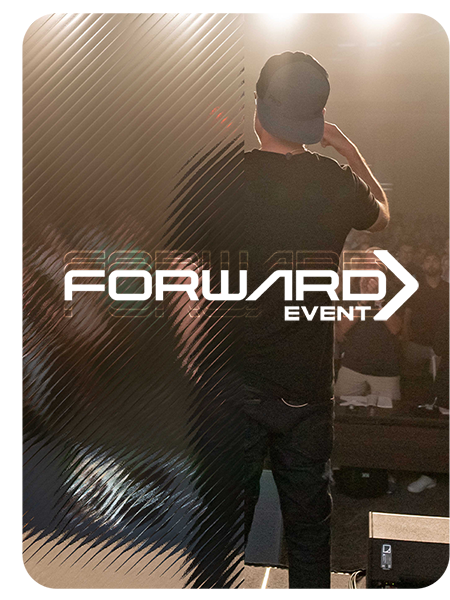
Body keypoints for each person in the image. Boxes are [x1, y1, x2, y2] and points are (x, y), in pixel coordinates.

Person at [242, 51, 390, 589]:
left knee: (221, 524)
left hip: (234, 381)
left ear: (260, 109)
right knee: (309, 530)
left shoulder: (224, 178)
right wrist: (346, 147)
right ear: (315, 120)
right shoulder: (333, 179)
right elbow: (382, 216)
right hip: (304, 384)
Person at [334, 249, 402, 407]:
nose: (371, 268)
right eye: (368, 264)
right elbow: (342, 328)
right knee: (339, 412)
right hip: (352, 365)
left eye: (376, 265)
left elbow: (395, 328)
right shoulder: (350, 288)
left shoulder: (395, 289)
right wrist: (362, 301)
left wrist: (379, 301)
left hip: (386, 368)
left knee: (388, 415)